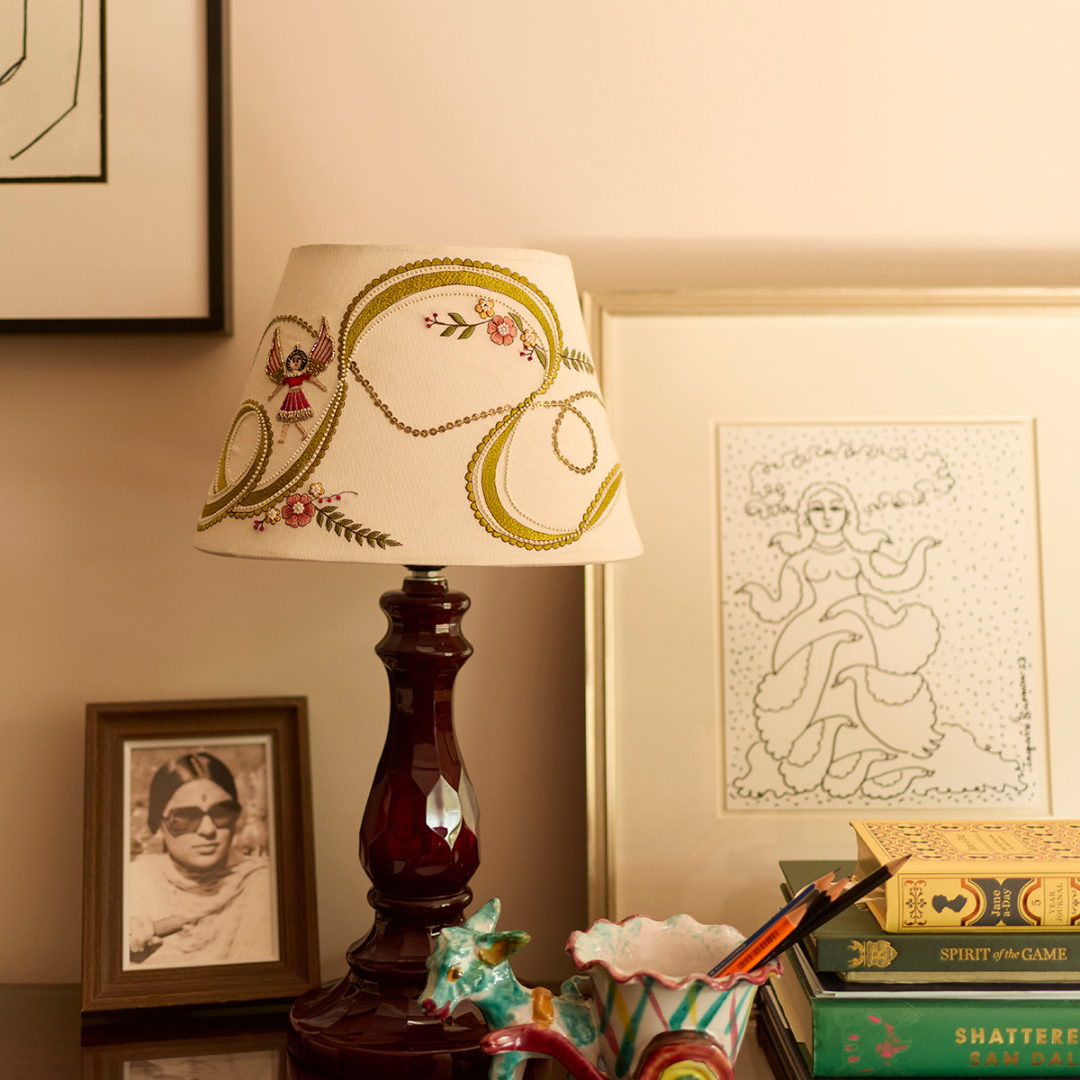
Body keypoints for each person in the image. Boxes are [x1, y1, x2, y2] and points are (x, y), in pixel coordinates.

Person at [734, 481, 943, 799]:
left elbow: (895, 581)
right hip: (812, 634)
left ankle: (862, 752)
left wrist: (921, 550)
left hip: (856, 632)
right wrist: (754, 593)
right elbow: (781, 607)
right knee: (814, 693)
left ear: (848, 514)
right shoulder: (799, 560)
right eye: (818, 509)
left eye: (835, 508)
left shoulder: (858, 555)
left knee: (860, 687)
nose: (827, 516)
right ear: (807, 517)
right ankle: (816, 755)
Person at [128, 751, 274, 967]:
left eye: (221, 813)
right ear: (158, 823)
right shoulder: (135, 883)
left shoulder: (263, 884)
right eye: (186, 817)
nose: (208, 830)